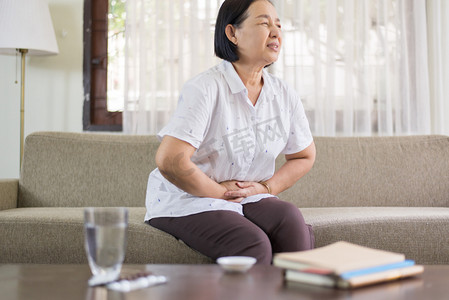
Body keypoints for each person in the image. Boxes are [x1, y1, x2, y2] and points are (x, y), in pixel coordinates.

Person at [145, 0, 316, 265]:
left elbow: (304, 156)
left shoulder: (283, 95)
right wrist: (219, 193)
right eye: (263, 23)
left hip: (247, 197)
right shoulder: (205, 88)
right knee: (253, 243)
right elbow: (170, 161)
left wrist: (266, 187)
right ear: (232, 33)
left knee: (290, 220)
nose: (275, 33)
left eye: (278, 25)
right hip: (190, 199)